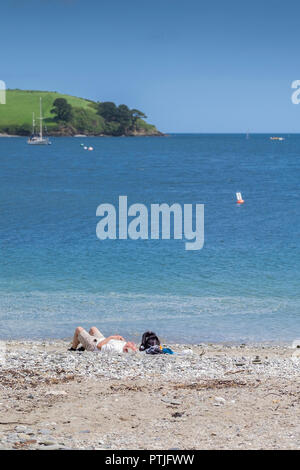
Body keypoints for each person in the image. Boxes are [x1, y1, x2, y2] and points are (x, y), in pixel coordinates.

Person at [70, 326, 137, 353]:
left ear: (126, 349)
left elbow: (99, 346)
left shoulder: (116, 348)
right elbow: (123, 343)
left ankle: (73, 349)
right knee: (93, 329)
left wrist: (111, 337)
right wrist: (120, 338)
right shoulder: (124, 345)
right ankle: (83, 346)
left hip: (94, 345)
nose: (132, 343)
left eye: (131, 344)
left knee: (78, 329)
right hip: (101, 339)